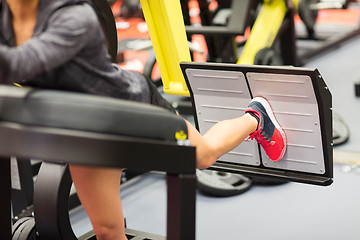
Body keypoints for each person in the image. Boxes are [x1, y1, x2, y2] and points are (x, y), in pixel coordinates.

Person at [0, 0, 287, 239]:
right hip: (83, 122)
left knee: (204, 155)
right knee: (108, 231)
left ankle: (256, 119)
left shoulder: (74, 17)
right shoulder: (6, 15)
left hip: (131, 105)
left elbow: (19, 64)